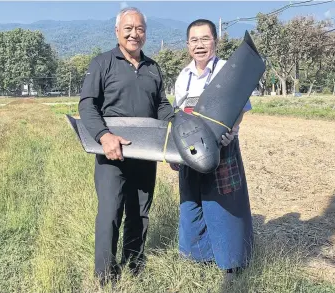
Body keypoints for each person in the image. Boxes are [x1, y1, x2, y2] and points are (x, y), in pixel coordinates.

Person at [78, 7, 174, 286]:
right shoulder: (102, 63)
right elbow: (87, 105)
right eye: (128, 28)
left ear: (145, 32)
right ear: (117, 31)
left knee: (140, 211)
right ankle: (105, 276)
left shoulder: (153, 67)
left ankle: (134, 266)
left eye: (140, 29)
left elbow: (162, 106)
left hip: (146, 152)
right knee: (110, 211)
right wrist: (104, 136)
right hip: (111, 154)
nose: (135, 33)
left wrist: (177, 128)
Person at [171, 19, 254, 285]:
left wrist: (231, 130)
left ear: (215, 42)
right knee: (191, 203)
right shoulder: (183, 77)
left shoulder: (227, 71)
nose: (199, 45)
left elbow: (241, 108)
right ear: (187, 45)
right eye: (194, 40)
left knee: (224, 207)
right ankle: (199, 258)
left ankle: (231, 266)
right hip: (191, 152)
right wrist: (176, 153)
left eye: (204, 39)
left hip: (222, 148)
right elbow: (178, 118)